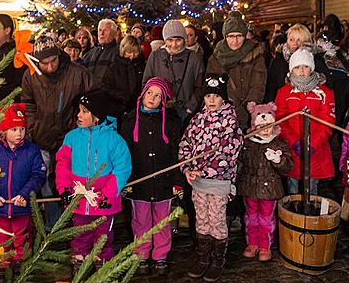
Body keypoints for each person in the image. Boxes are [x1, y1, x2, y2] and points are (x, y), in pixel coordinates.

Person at [21, 34, 92, 230]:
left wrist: (79, 125)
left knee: (72, 179)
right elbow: (28, 103)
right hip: (42, 137)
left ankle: (77, 221)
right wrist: (34, 127)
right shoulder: (30, 75)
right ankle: (54, 225)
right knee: (44, 181)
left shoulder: (78, 73)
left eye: (53, 61)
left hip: (71, 136)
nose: (50, 67)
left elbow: (91, 101)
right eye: (45, 63)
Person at [55, 90, 131, 272]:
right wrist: (65, 189)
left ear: (97, 116)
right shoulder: (72, 138)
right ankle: (79, 260)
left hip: (104, 201)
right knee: (79, 232)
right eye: (79, 111)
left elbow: (122, 168)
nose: (78, 115)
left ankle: (101, 261)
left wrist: (108, 194)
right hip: (78, 200)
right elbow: (63, 164)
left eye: (84, 111)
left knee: (103, 235)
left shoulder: (114, 140)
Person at [178, 75, 243, 282]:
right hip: (197, 182)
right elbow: (185, 144)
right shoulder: (197, 119)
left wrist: (203, 171)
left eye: (216, 96)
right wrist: (187, 168)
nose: (212, 100)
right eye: (208, 96)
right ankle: (203, 259)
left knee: (216, 220)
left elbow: (227, 152)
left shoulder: (230, 121)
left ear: (223, 98)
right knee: (201, 220)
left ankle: (217, 261)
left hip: (218, 181)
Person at [120, 77, 181, 276]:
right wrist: (126, 180)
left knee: (162, 219)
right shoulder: (130, 121)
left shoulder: (171, 122)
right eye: (149, 93)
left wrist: (176, 180)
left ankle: (161, 254)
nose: (152, 98)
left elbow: (176, 152)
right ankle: (141, 253)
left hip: (163, 182)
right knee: (141, 219)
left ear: (163, 99)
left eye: (157, 95)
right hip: (139, 181)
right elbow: (124, 152)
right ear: (143, 94)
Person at [0, 103, 46, 282]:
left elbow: (38, 174)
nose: (19, 134)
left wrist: (25, 194)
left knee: (21, 236)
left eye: (22, 129)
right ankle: (2, 267)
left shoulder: (31, 150)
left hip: (21, 206)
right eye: (14, 129)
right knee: (1, 237)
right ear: (3, 131)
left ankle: (20, 265)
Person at [275, 48, 335, 195]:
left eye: (305, 66)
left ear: (312, 68)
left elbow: (327, 122)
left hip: (316, 150)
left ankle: (310, 217)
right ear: (291, 70)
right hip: (293, 149)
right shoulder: (284, 93)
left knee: (312, 189)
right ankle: (294, 215)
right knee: (293, 188)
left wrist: (312, 144)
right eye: (297, 67)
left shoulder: (324, 93)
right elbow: (281, 120)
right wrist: (293, 142)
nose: (301, 71)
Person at [238, 102, 293, 262]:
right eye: (261, 125)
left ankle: (265, 245)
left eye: (268, 124)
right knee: (251, 217)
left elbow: (287, 167)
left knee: (266, 219)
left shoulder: (278, 142)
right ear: (254, 124)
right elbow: (240, 163)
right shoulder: (247, 142)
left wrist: (278, 160)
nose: (265, 128)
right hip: (250, 188)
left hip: (270, 191)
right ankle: (252, 243)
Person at [206, 11, 267, 131]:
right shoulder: (216, 56)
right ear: (225, 36)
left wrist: (251, 102)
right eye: (231, 36)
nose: (235, 41)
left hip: (248, 110)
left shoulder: (255, 54)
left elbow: (258, 83)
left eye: (239, 36)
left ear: (245, 36)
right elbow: (212, 85)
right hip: (223, 112)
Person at [143, 19, 204, 123]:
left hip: (184, 113)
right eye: (170, 40)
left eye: (178, 40)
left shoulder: (194, 58)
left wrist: (190, 108)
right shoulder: (155, 56)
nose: (174, 45)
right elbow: (146, 83)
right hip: (158, 111)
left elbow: (200, 86)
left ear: (184, 40)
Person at [264, 23, 330, 102]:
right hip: (283, 107)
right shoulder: (278, 61)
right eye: (291, 39)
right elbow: (270, 88)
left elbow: (327, 85)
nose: (295, 43)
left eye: (299, 40)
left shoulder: (316, 60)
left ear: (307, 41)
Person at [101, 34, 145, 118]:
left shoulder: (142, 66)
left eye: (135, 52)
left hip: (138, 109)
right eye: (129, 52)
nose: (132, 55)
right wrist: (121, 96)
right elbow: (105, 87)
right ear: (123, 50)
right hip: (118, 109)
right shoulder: (114, 67)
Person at [81, 19, 119, 88]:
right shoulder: (89, 54)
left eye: (105, 30)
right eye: (100, 30)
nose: (102, 33)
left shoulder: (118, 53)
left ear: (113, 34)